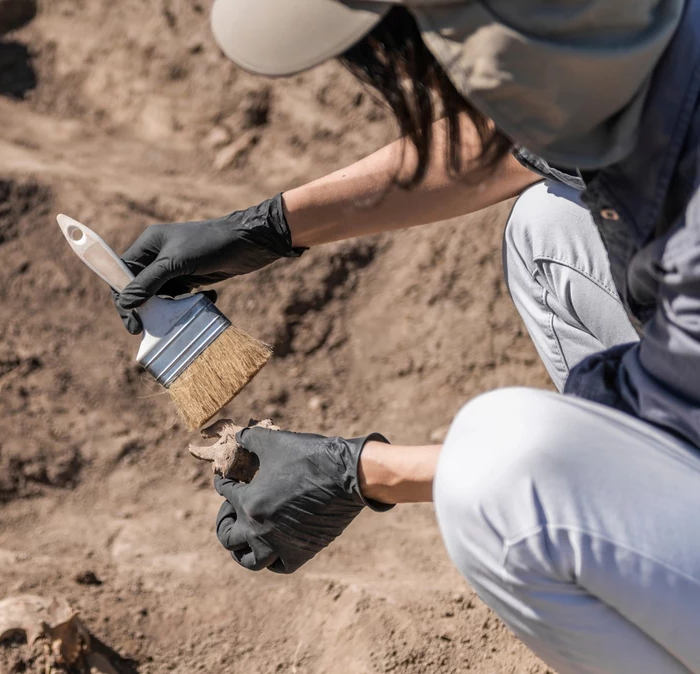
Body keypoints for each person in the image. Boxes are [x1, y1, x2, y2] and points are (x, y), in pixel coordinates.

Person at [110, 1, 700, 672]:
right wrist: (269, 227)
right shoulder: (631, 35)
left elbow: (630, 442)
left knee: (501, 484)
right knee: (546, 233)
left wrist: (362, 473)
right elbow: (515, 138)